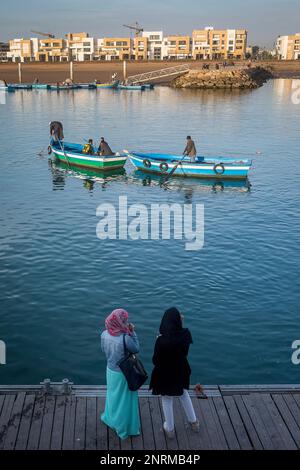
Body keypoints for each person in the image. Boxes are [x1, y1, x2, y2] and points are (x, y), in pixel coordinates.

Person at [149, 307, 199, 439]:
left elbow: (155, 360)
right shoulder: (186, 334)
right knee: (183, 393)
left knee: (166, 398)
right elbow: (184, 353)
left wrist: (157, 341)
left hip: (165, 374)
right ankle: (194, 423)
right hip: (181, 370)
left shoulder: (161, 340)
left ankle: (169, 429)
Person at [101, 309, 141, 440]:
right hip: (123, 374)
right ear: (120, 322)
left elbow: (103, 350)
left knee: (112, 396)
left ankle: (110, 418)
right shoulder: (125, 338)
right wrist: (132, 332)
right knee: (124, 400)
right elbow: (136, 349)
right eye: (125, 320)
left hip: (110, 370)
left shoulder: (104, 334)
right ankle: (122, 426)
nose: (126, 322)